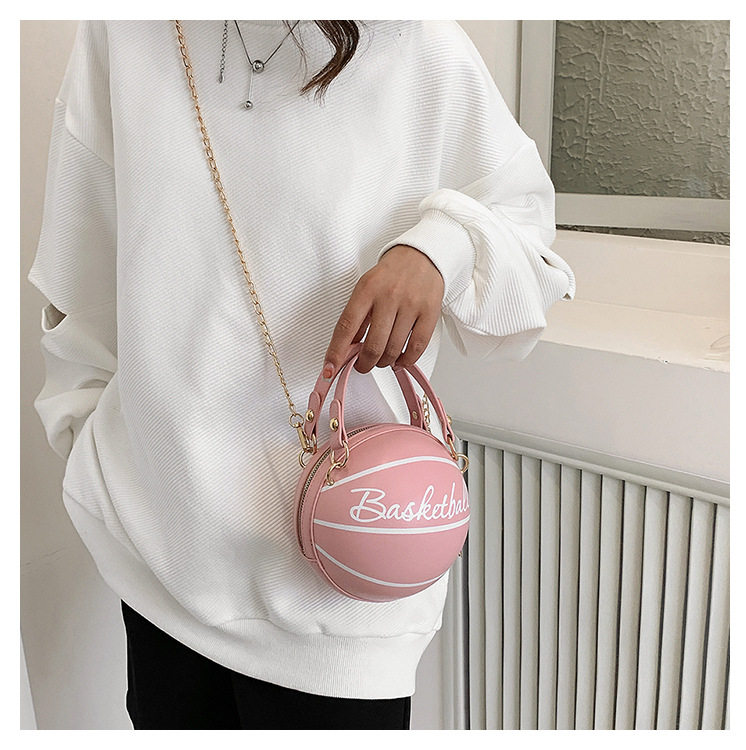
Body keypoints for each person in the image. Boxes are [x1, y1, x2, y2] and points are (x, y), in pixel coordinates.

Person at [27, 20, 575, 730]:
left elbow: (529, 231)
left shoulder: (415, 40)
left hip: (343, 588)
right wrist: (85, 442)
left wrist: (440, 248)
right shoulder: (125, 32)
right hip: (163, 555)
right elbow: (84, 269)